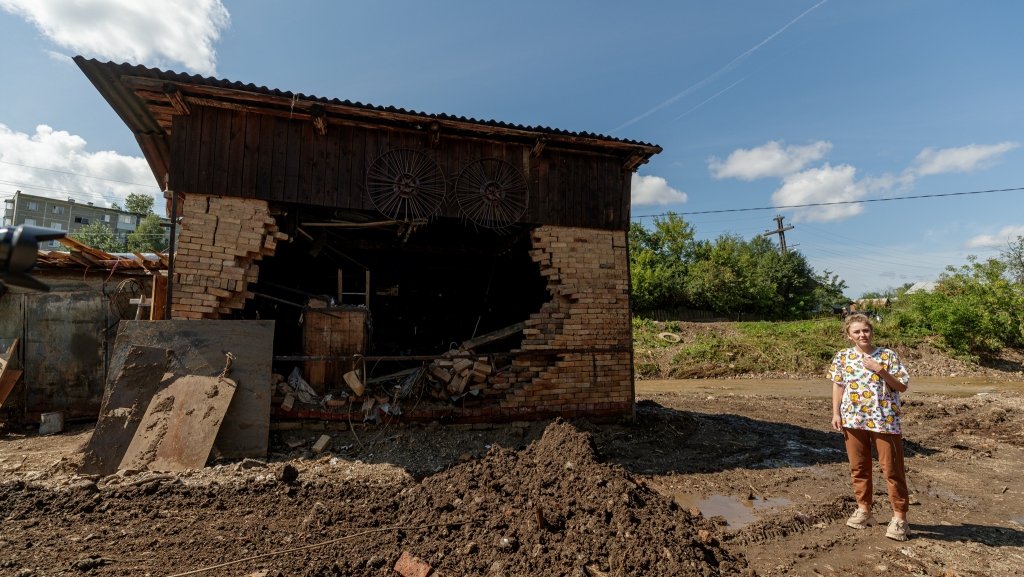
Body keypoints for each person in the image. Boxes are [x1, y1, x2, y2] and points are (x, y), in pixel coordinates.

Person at [828, 313, 911, 541]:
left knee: (892, 470)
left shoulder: (887, 355)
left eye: (865, 330)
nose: (862, 335)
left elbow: (901, 386)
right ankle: (864, 510)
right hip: (853, 420)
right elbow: (838, 385)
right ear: (849, 335)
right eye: (857, 331)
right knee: (859, 467)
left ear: (871, 332)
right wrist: (836, 413)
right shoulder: (842, 357)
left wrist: (879, 369)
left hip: (884, 421)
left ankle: (900, 519)